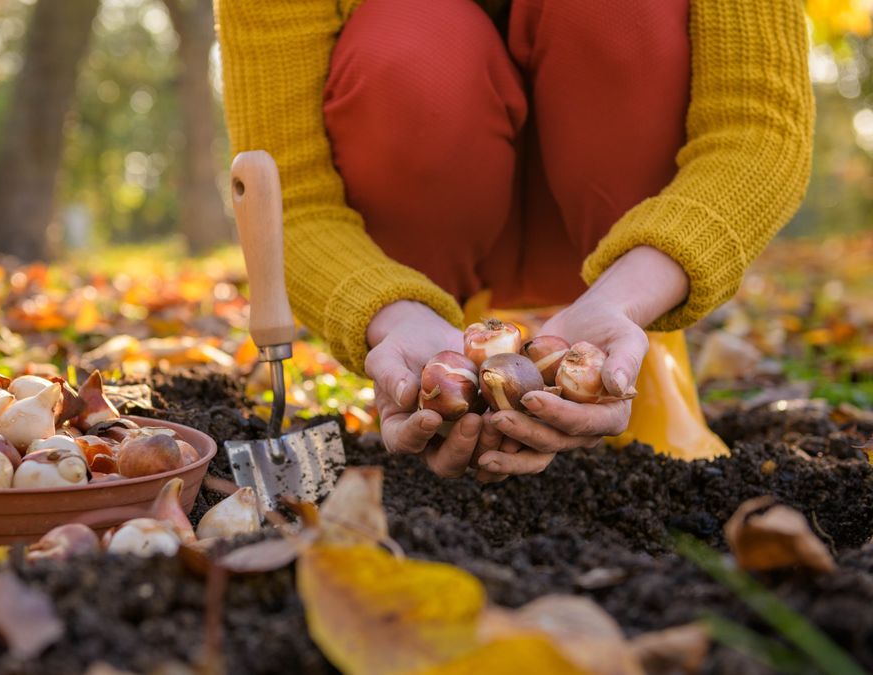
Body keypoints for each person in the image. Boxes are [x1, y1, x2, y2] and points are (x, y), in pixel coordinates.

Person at [216, 0, 814, 480]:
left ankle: (642, 353)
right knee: (412, 45)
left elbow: (756, 130)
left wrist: (626, 298)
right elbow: (291, 195)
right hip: (423, 233)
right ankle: (443, 353)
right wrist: (395, 317)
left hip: (619, 232)